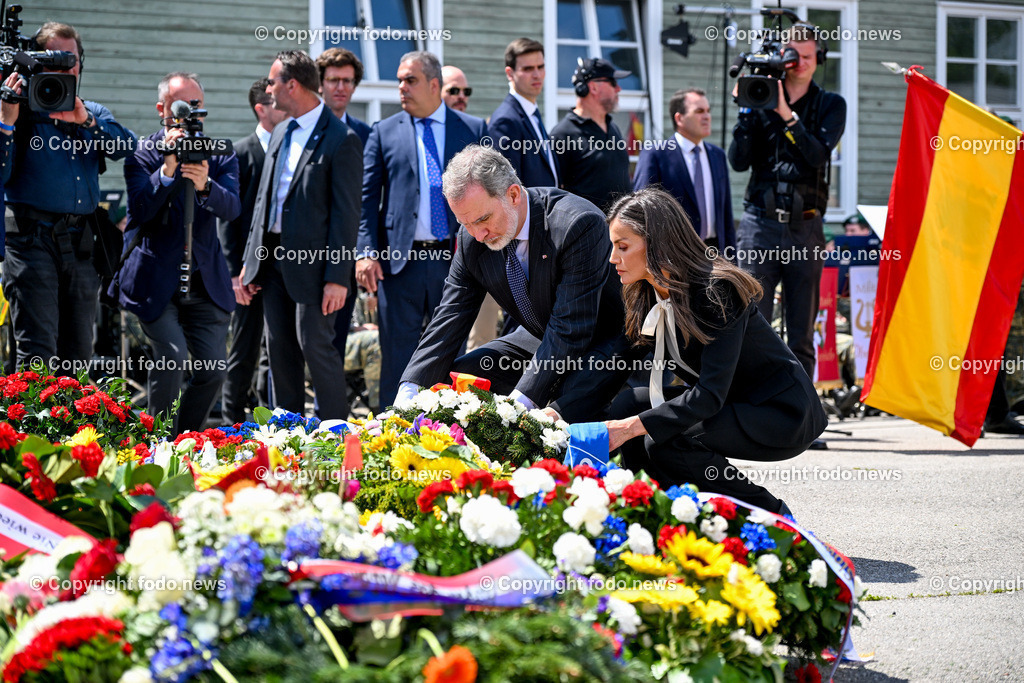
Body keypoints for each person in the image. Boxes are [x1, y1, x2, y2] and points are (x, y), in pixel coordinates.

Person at [604, 188, 826, 513]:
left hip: (782, 412)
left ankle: (770, 516)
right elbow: (614, 366)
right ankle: (659, 513)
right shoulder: (645, 292)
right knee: (627, 403)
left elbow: (708, 394)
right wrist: (558, 414)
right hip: (731, 402)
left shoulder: (717, 290)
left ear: (657, 244)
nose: (613, 258)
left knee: (662, 438)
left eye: (622, 247)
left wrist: (630, 427)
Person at [399, 146, 631, 422]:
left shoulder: (577, 224)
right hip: (540, 333)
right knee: (465, 377)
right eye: (465, 223)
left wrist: (517, 408)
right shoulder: (471, 237)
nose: (478, 234)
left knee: (559, 408)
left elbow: (570, 328)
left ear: (513, 194)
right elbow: (449, 316)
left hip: (606, 338)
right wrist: (408, 393)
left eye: (483, 219)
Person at [0, 21, 135, 370]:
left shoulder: (92, 111)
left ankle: (74, 426)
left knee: (78, 356)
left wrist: (86, 120)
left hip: (81, 246)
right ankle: (25, 426)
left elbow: (130, 148)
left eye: (70, 59)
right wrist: (6, 123)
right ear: (35, 65)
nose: (64, 68)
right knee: (37, 355)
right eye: (53, 60)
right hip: (31, 243)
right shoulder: (18, 113)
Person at [356, 51, 488, 408]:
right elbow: (366, 200)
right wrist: (365, 252)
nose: (401, 87)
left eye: (409, 80)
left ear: (434, 85)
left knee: (452, 355)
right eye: (399, 79)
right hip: (401, 264)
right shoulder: (383, 132)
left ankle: (449, 434)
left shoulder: (473, 130)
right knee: (398, 357)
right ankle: (389, 436)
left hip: (455, 262)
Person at [240, 50, 363, 420]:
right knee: (279, 351)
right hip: (273, 263)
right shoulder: (280, 131)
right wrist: (249, 266)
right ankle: (287, 436)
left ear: (292, 85)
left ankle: (337, 436)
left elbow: (346, 217)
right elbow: (264, 203)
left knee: (316, 348)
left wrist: (337, 279)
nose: (268, 87)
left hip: (317, 268)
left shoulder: (342, 139)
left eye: (273, 80)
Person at [116, 72, 240, 433]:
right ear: (162, 110)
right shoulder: (142, 154)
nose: (189, 115)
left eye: (196, 106)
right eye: (181, 106)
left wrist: (206, 185)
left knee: (214, 369)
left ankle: (184, 441)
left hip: (204, 280)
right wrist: (167, 168)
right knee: (171, 358)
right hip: (156, 280)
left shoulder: (218, 152)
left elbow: (232, 209)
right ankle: (156, 444)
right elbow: (138, 212)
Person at [728, 23, 846, 380]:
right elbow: (738, 161)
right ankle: (753, 417)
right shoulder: (759, 97)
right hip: (759, 224)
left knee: (801, 330)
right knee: (752, 321)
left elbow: (816, 156)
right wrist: (747, 110)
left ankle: (799, 420)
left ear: (818, 59)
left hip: (805, 227)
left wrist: (785, 114)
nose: (800, 63)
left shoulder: (830, 104)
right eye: (793, 56)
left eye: (808, 56)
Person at [218, 79, 285, 424]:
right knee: (243, 349)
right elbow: (229, 220)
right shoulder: (240, 153)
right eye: (277, 102)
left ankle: (268, 421)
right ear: (261, 109)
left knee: (276, 351)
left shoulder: (290, 149)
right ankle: (231, 423)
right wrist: (234, 274)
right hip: (247, 272)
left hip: (285, 271)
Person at [633, 88, 735, 253]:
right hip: (675, 255)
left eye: (708, 111)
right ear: (679, 118)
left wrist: (732, 260)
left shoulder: (717, 155)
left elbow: (726, 216)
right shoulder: (656, 154)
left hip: (715, 253)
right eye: (699, 111)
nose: (707, 117)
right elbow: (642, 210)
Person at [550, 57, 631, 211]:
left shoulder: (613, 127)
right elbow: (554, 195)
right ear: (593, 88)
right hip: (587, 233)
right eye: (613, 83)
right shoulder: (562, 135)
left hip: (621, 231)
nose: (618, 89)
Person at [489, 38, 557, 188]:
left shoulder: (533, 114)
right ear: (510, 73)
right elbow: (506, 188)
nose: (537, 74)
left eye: (541, 67)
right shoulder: (505, 121)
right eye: (528, 69)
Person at [316, 47, 371, 144]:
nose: (341, 88)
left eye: (347, 81)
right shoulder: (305, 127)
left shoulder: (365, 134)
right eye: (333, 80)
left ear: (354, 87)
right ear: (320, 84)